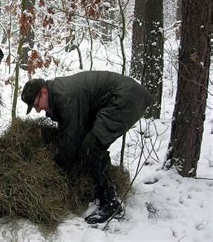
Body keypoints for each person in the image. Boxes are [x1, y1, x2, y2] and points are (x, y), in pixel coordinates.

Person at [21, 71, 153, 224]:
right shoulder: (58, 93)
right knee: (89, 144)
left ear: (44, 92)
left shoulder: (65, 95)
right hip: (118, 98)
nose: (38, 110)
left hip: (125, 99)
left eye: (37, 104)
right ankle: (102, 192)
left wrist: (58, 168)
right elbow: (71, 128)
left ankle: (110, 203)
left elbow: (72, 136)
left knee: (93, 146)